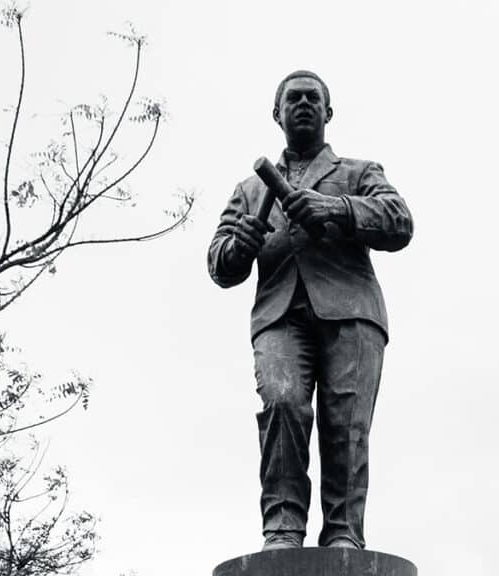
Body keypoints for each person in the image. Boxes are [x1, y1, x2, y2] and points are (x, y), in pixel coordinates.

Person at [208, 70, 413, 551]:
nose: (303, 104)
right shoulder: (249, 190)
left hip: (351, 315)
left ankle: (343, 532)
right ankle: (282, 528)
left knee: (346, 423)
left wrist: (337, 209)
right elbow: (219, 264)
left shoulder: (359, 173)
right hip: (280, 316)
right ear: (277, 113)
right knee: (282, 403)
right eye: (293, 98)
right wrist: (238, 247)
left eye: (312, 98)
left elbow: (399, 222)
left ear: (328, 112)